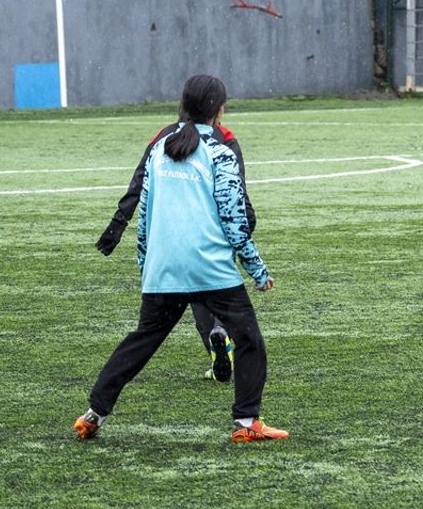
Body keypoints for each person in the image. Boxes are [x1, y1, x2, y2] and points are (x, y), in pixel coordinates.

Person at [73, 75, 287, 443]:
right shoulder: (220, 152)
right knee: (250, 341)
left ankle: (94, 414)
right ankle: (247, 423)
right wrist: (257, 270)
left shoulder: (160, 150)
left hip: (164, 267)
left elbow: (146, 214)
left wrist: (146, 264)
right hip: (210, 268)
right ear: (219, 110)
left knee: (141, 341)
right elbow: (235, 221)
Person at [96, 106, 257, 381]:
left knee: (179, 303)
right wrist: (248, 222)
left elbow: (139, 183)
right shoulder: (225, 137)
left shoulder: (164, 136)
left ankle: (99, 403)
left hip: (172, 234)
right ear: (216, 109)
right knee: (218, 290)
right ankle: (222, 334)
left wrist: (117, 224)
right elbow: (236, 189)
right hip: (213, 231)